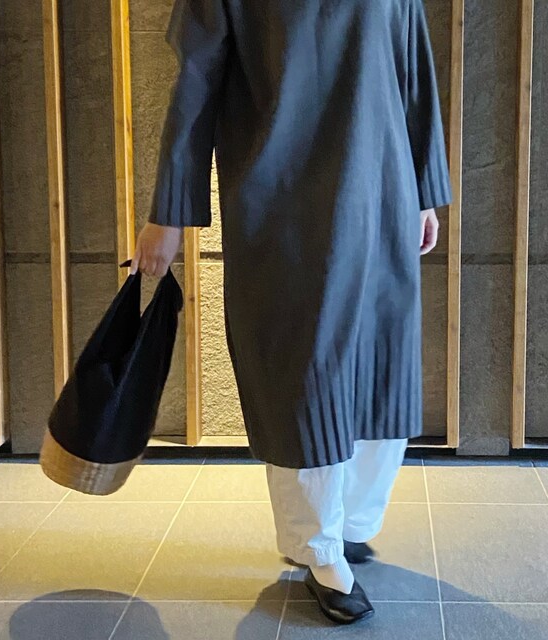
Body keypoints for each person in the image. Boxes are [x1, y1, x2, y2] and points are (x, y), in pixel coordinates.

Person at [131, 0, 451, 625]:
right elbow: (196, 81)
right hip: (284, 197)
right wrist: (167, 214)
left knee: (383, 369)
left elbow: (413, 67)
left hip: (382, 188)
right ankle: (319, 549)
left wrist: (423, 190)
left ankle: (349, 525)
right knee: (306, 377)